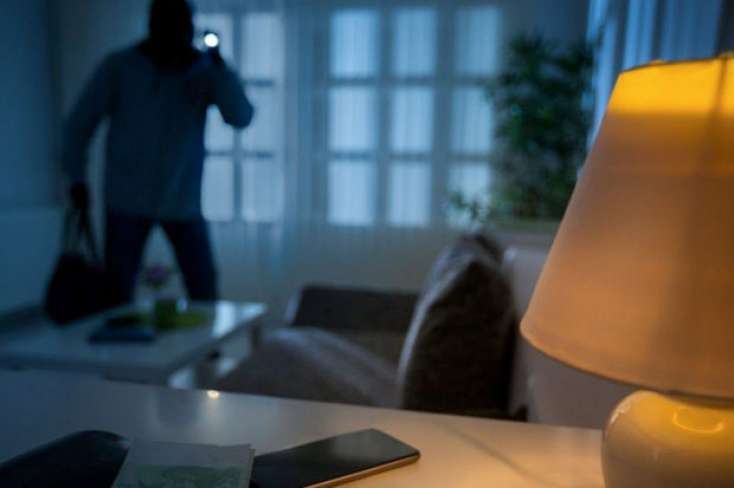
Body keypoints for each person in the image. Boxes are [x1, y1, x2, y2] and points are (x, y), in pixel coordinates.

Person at [62, 0, 253, 303]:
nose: (176, 37)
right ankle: (118, 337)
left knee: (203, 289)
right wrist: (76, 178)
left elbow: (240, 116)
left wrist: (220, 68)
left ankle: (207, 339)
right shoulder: (121, 67)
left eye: (181, 29)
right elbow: (78, 125)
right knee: (117, 295)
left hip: (182, 200)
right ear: (153, 28)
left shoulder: (204, 71)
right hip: (127, 200)